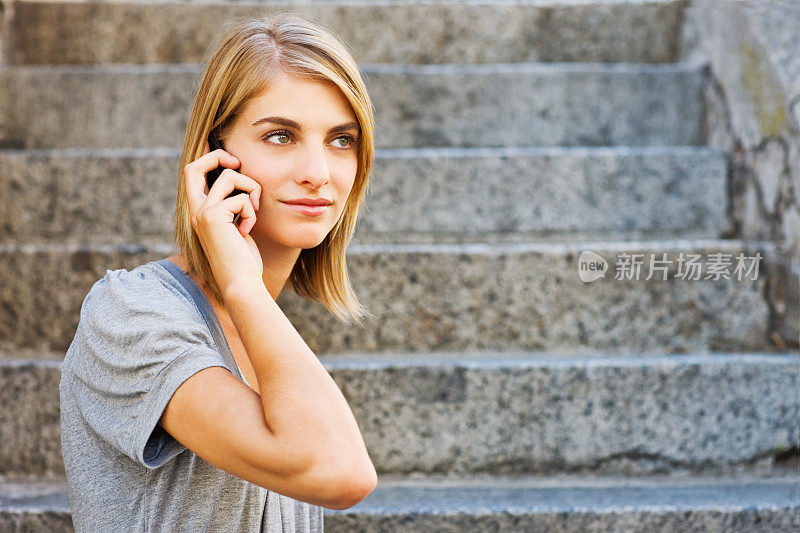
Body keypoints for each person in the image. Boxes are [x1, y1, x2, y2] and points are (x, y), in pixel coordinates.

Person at [59, 11, 378, 532]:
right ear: (215, 155)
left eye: (341, 139)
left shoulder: (268, 336)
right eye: (280, 136)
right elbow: (337, 472)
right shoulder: (131, 312)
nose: (318, 174)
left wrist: (247, 295)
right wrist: (244, 286)